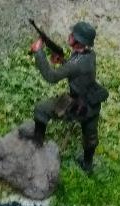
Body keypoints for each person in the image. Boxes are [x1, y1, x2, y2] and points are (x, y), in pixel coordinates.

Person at [27, 20, 108, 172]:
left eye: (73, 35)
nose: (70, 36)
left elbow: (51, 77)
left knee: (41, 109)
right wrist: (63, 61)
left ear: (79, 42)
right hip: (92, 102)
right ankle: (87, 165)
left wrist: (39, 53)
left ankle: (37, 146)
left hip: (78, 105)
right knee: (90, 136)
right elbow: (78, 70)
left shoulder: (75, 64)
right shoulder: (89, 55)